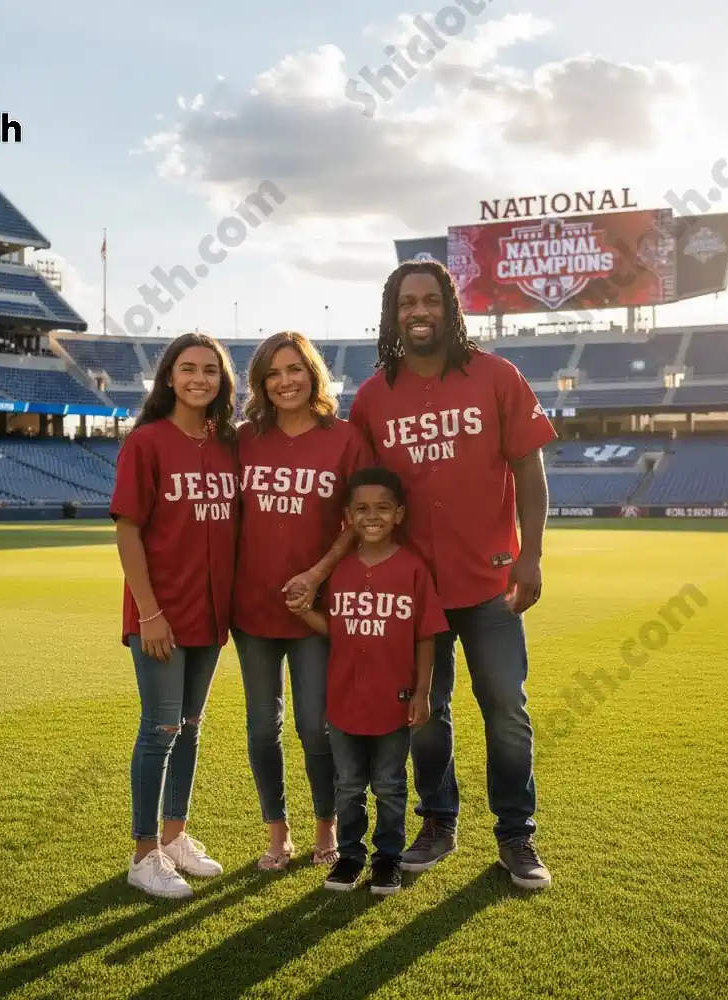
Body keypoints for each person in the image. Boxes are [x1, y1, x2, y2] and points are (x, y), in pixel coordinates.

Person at [287, 259, 557, 889]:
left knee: (506, 711)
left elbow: (529, 469)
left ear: (449, 307)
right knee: (426, 715)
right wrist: (327, 567)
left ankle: (516, 834)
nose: (419, 312)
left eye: (430, 300)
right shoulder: (375, 397)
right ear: (393, 313)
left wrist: (532, 553)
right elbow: (362, 494)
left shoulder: (497, 376)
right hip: (411, 591)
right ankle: (438, 822)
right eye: (407, 302)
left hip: (489, 582)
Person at [233, 331, 370, 870]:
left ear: (313, 374)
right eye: (272, 373)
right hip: (252, 608)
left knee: (315, 727)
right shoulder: (244, 438)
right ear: (260, 383)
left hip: (315, 608)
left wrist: (316, 574)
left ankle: (325, 825)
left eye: (294, 369)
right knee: (260, 728)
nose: (284, 381)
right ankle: (277, 833)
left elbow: (359, 520)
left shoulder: (345, 437)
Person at [110, 332, 239, 900]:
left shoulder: (228, 443)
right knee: (160, 729)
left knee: (189, 727)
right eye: (188, 368)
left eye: (210, 370)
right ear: (169, 377)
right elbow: (128, 530)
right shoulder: (147, 442)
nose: (199, 379)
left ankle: (174, 836)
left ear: (222, 381)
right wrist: (149, 613)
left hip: (209, 613)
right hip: (161, 613)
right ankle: (144, 855)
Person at [292, 467, 447, 894]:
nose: (372, 516)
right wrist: (305, 613)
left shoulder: (413, 569)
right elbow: (336, 628)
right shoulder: (340, 570)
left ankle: (387, 859)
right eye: (361, 509)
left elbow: (426, 635)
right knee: (348, 785)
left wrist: (422, 692)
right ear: (348, 516)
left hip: (393, 700)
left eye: (382, 508)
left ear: (399, 514)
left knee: (390, 785)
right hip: (344, 699)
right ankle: (350, 856)